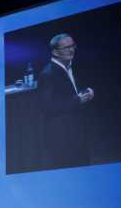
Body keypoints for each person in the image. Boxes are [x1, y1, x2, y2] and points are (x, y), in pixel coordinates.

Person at [37, 33, 95, 170]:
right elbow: (47, 107)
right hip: (62, 135)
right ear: (55, 52)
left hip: (77, 130)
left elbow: (70, 92)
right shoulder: (47, 74)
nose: (72, 49)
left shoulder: (69, 65)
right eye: (66, 47)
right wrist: (77, 100)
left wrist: (85, 92)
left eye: (73, 46)